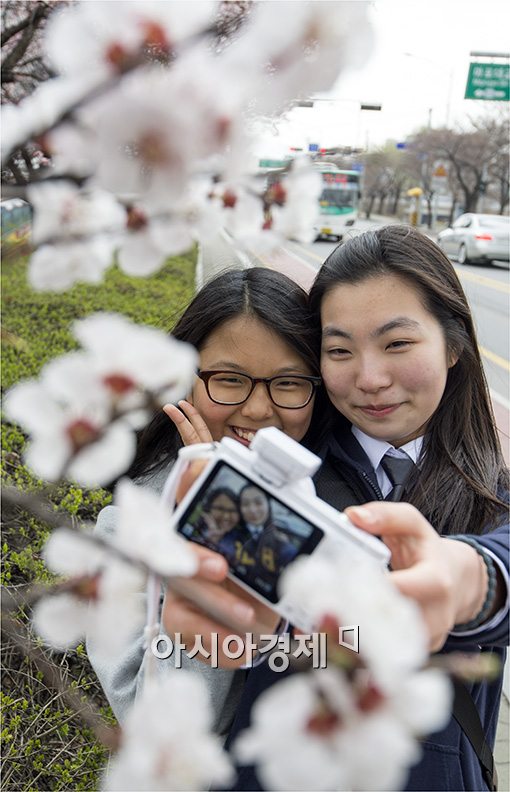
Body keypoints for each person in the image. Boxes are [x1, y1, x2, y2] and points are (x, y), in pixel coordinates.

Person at [223, 225, 509, 791]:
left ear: (453, 345)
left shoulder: (493, 494)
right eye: (339, 351)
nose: (369, 379)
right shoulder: (280, 481)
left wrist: (471, 581)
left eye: (397, 344)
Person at [87, 266, 329, 734]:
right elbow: (159, 727)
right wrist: (222, 518)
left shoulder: (339, 501)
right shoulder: (128, 530)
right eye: (230, 379)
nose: (259, 409)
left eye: (289, 382)